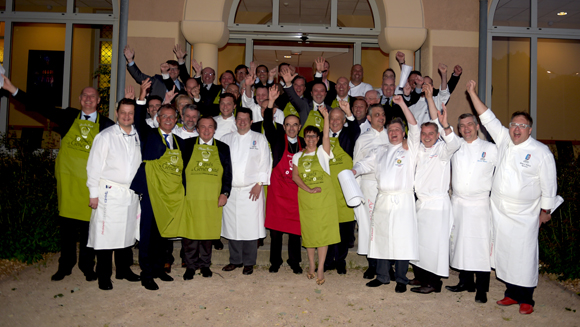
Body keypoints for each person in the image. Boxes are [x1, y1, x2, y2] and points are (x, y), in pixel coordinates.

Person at [1, 75, 115, 282]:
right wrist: (13, 89)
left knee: (90, 231)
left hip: (91, 185)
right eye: (85, 96)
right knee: (68, 228)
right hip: (69, 182)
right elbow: (41, 107)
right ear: (80, 99)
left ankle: (87, 266)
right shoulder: (68, 117)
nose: (88, 99)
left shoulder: (107, 124)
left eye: (93, 96)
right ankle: (66, 265)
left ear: (99, 101)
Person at [466, 80, 560, 315]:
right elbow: (487, 117)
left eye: (522, 125)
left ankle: (526, 298)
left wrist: (545, 211)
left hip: (525, 214)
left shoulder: (541, 152)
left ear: (530, 129)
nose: (517, 129)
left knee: (524, 255)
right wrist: (471, 93)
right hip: (499, 210)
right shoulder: (505, 140)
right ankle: (511, 293)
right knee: (504, 253)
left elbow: (550, 185)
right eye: (514, 124)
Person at [352, 95, 420, 293]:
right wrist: (354, 171)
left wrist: (401, 105)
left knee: (401, 238)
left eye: (397, 130)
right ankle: (382, 276)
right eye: (390, 130)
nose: (393, 133)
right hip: (382, 198)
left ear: (403, 132)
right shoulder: (380, 149)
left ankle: (401, 277)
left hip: (403, 200)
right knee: (380, 237)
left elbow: (415, 126)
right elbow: (364, 163)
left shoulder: (410, 149)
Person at [131, 83, 186, 290]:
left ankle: (158, 268)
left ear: (176, 120)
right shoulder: (149, 135)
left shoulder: (179, 141)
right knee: (148, 233)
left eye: (172, 117)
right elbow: (137, 119)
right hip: (150, 192)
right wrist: (142, 96)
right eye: (165, 117)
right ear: (158, 119)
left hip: (169, 195)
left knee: (163, 233)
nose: (169, 120)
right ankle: (146, 273)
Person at [86, 98, 142, 290]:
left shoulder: (137, 136)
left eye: (130, 113)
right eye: (123, 112)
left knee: (126, 233)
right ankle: (104, 274)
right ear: (116, 113)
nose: (127, 116)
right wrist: (93, 194)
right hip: (109, 193)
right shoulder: (105, 136)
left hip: (130, 193)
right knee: (106, 236)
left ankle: (123, 270)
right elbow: (93, 167)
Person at [409, 84, 460, 294]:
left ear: (437, 135)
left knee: (434, 247)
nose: (427, 136)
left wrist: (445, 125)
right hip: (421, 204)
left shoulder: (442, 150)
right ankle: (421, 277)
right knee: (420, 243)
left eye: (431, 133)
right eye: (424, 133)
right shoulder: (419, 149)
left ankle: (433, 283)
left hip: (437, 206)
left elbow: (454, 144)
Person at [446, 112, 498, 304]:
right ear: (458, 129)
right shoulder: (455, 146)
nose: (466, 128)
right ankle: (465, 282)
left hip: (480, 204)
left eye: (469, 124)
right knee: (460, 243)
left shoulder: (491, 149)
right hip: (458, 203)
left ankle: (482, 288)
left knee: (480, 246)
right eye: (462, 126)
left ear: (477, 126)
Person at [179, 116, 233, 280]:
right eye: (203, 127)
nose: (207, 130)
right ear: (197, 128)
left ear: (215, 129)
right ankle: (190, 266)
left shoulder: (223, 148)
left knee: (208, 233)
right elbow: (179, 171)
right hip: (191, 198)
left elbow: (228, 173)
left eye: (210, 127)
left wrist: (225, 193)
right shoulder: (186, 146)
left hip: (212, 198)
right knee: (190, 234)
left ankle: (204, 265)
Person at [292, 106, 340, 285]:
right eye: (308, 136)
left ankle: (321, 267)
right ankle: (311, 264)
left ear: (317, 138)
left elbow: (327, 136)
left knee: (323, 233)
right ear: (303, 138)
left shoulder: (322, 153)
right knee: (310, 232)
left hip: (324, 199)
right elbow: (295, 176)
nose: (311, 139)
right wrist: (309, 189)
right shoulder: (297, 156)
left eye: (314, 136)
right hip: (306, 198)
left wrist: (326, 116)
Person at [220, 108, 272, 275]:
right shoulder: (226, 139)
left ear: (251, 121)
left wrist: (259, 183)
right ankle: (235, 260)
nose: (242, 122)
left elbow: (266, 161)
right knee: (232, 226)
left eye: (246, 119)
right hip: (232, 190)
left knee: (251, 227)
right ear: (236, 121)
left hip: (252, 189)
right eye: (239, 119)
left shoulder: (259, 138)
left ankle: (249, 262)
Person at [263, 87, 306, 274]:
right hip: (278, 192)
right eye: (287, 124)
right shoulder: (278, 140)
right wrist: (271, 102)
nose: (291, 128)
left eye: (294, 125)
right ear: (284, 127)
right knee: (276, 231)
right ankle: (275, 261)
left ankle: (294, 261)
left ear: (299, 127)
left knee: (296, 231)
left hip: (297, 193)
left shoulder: (306, 143)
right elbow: (266, 124)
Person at [352, 104, 388, 280]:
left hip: (387, 188)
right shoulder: (362, 139)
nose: (380, 117)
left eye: (382, 115)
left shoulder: (392, 136)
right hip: (367, 186)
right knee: (369, 227)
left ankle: (388, 265)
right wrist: (357, 194)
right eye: (376, 115)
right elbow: (357, 165)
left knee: (386, 226)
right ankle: (372, 264)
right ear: (369, 118)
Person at [323, 101, 361, 274]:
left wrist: (349, 113)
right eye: (332, 118)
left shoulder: (348, 134)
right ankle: (329, 260)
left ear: (344, 120)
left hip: (345, 189)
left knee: (345, 229)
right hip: (328, 190)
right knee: (329, 226)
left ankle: (341, 260)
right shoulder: (322, 136)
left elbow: (356, 130)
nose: (335, 121)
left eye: (339, 118)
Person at [280, 66, 332, 137]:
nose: (319, 93)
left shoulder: (331, 111)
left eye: (322, 91)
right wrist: (288, 83)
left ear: (326, 94)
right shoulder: (304, 105)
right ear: (311, 93)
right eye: (315, 91)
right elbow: (294, 98)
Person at [125, 44, 189, 99]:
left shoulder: (184, 86)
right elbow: (139, 76)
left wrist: (180, 59)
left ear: (179, 71)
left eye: (175, 69)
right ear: (164, 69)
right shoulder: (156, 81)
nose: (172, 71)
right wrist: (130, 60)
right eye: (169, 68)